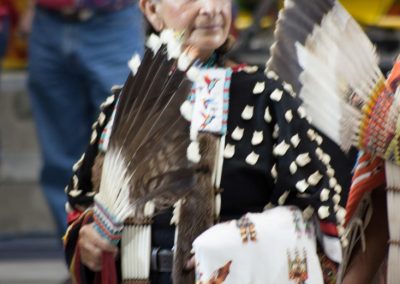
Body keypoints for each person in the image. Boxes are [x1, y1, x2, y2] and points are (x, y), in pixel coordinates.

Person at [63, 0, 354, 283]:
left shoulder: (265, 98)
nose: (211, 8)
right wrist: (86, 239)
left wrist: (241, 242)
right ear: (152, 9)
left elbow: (320, 221)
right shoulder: (123, 106)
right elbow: (82, 206)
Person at [23, 0, 145, 236]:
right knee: (59, 162)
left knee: (123, 152)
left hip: (112, 21)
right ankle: (78, 263)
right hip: (48, 20)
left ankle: (123, 265)